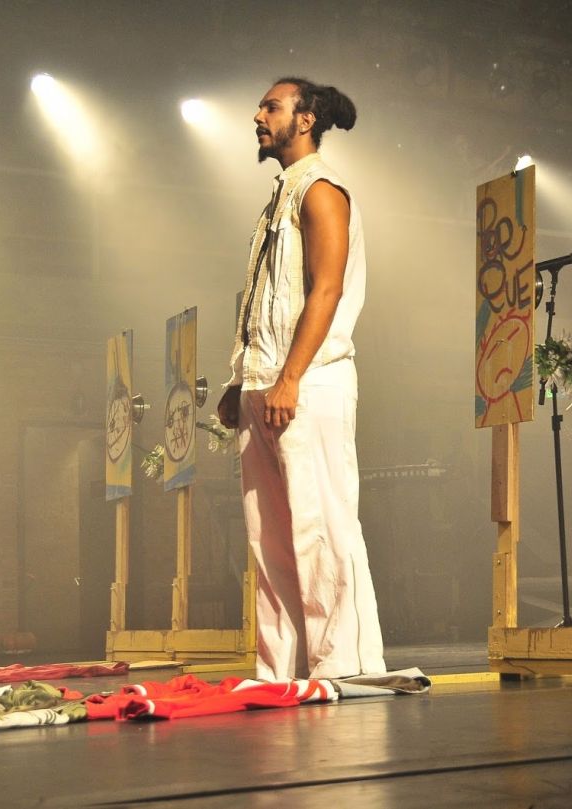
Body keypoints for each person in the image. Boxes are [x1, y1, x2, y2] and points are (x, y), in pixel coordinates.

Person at [216, 78, 386, 682]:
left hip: (310, 385)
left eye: (271, 107)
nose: (257, 116)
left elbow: (327, 289)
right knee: (271, 544)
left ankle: (342, 668)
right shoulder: (279, 197)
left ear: (306, 119)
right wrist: (244, 379)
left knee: (321, 530)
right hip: (267, 384)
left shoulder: (321, 191)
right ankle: (279, 670)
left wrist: (288, 378)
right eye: (260, 106)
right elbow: (268, 297)